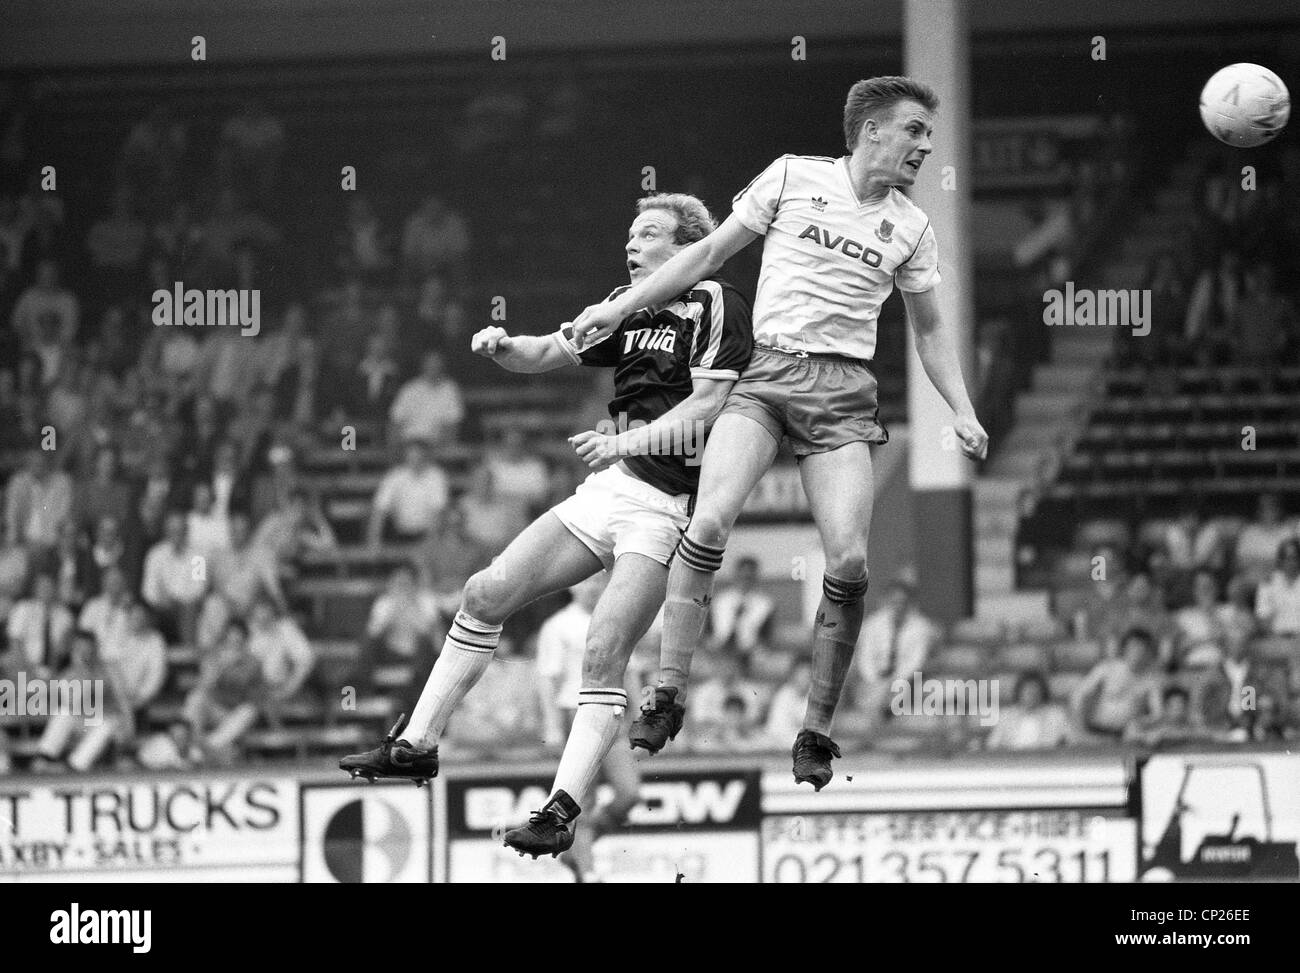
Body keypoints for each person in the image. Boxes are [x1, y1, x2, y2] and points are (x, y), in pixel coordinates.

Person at [572, 76, 987, 790]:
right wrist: (623, 308)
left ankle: (816, 731)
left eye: (926, 134)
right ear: (872, 132)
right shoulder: (793, 176)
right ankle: (667, 693)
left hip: (843, 390)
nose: (924, 144)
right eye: (914, 130)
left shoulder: (912, 228)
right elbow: (704, 257)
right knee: (707, 520)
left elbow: (931, 329)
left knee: (851, 561)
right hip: (764, 374)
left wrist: (963, 407)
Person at [340, 191, 752, 861]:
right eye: (630, 230)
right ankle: (415, 744)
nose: (632, 240)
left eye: (648, 232)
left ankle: (560, 811)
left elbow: (710, 404)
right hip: (609, 488)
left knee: (600, 652)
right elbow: (548, 350)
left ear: (688, 247)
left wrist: (626, 442)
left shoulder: (715, 302)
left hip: (664, 507)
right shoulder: (628, 302)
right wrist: (503, 347)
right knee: (482, 594)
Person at [534, 574, 641, 881]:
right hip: (577, 713)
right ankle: (588, 870)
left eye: (597, 582)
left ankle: (581, 846)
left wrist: (641, 713)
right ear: (572, 585)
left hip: (614, 713)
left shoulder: (620, 619)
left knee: (629, 793)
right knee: (584, 799)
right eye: (585, 582)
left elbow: (631, 670)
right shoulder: (558, 625)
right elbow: (547, 678)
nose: (591, 588)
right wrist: (552, 725)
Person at [851, 578, 937, 731]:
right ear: (887, 602)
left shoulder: (921, 627)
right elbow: (865, 658)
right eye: (894, 601)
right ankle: (877, 730)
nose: (898, 606)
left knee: (882, 697)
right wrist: (875, 680)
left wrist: (894, 682)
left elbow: (916, 661)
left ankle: (880, 729)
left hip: (908, 681)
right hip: (873, 681)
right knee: (872, 696)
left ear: (909, 603)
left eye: (902, 602)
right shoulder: (872, 624)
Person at [1069, 628, 1164, 743]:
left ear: (1149, 652)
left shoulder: (1151, 680)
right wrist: (1080, 726)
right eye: (1133, 647)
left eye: (1142, 648)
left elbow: (1158, 714)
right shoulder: (1106, 668)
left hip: (1127, 735)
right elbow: (1078, 695)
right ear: (1125, 648)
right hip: (1095, 730)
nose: (1138, 652)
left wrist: (1141, 722)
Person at [366, 439, 450, 546]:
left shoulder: (437, 475)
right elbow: (380, 509)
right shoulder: (394, 475)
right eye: (411, 455)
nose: (415, 459)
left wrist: (432, 543)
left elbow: (438, 512)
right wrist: (374, 540)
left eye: (419, 455)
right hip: (398, 533)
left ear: (426, 456)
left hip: (427, 534)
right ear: (405, 456)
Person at [707, 555, 775, 661]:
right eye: (742, 576)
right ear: (735, 575)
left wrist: (757, 647)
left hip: (750, 653)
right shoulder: (720, 600)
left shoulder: (765, 604)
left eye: (749, 577)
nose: (745, 580)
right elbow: (708, 630)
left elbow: (768, 636)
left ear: (756, 578)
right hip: (718, 650)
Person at [985, 672, 1070, 750]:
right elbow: (992, 745)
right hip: (1011, 762)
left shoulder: (1056, 715)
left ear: (1042, 692)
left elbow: (1072, 740)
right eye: (1027, 690)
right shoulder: (1006, 715)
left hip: (1047, 761)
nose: (1031, 694)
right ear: (1019, 692)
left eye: (1035, 690)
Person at [1255, 538, 1300, 636]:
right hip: (1276, 638)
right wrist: (1273, 636)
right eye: (1286, 558)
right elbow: (1263, 617)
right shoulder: (1268, 583)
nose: (1291, 562)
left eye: (1294, 558)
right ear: (1280, 560)